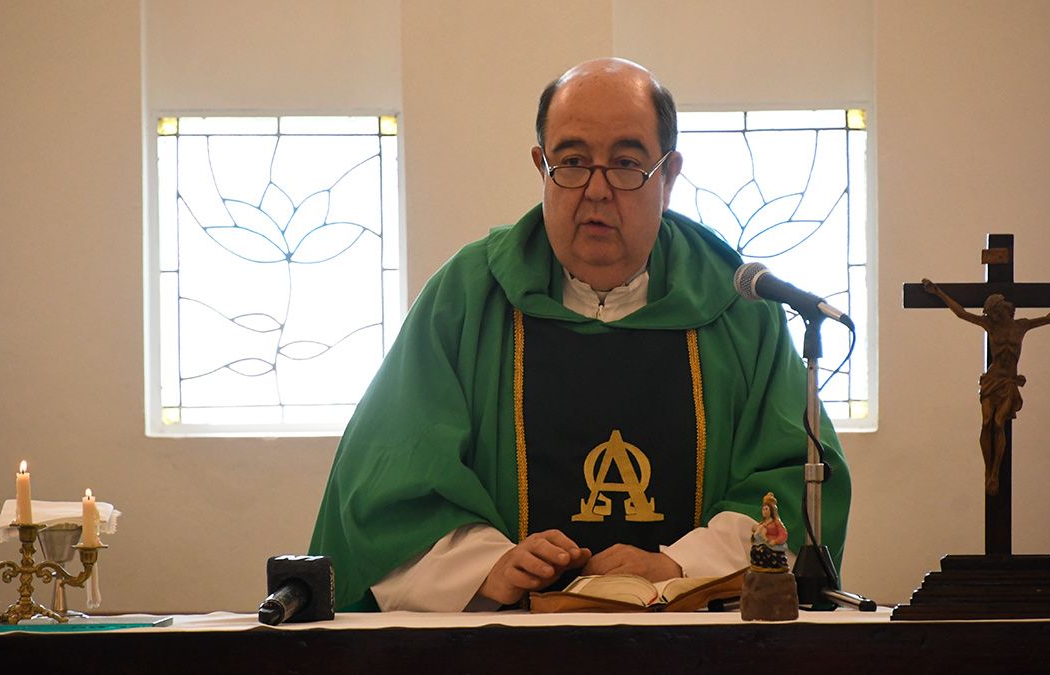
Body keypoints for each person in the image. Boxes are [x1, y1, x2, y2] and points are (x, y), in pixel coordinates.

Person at [310, 58, 851, 611]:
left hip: (693, 638)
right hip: (507, 640)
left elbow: (795, 482)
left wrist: (680, 565)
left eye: (626, 163)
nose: (596, 190)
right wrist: (486, 566)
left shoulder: (737, 305)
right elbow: (391, 481)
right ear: (541, 167)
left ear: (668, 176)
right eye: (571, 162)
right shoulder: (468, 298)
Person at [921, 280, 1050, 496]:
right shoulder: (990, 326)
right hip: (992, 380)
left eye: (994, 311)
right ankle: (988, 471)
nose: (992, 315)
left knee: (998, 422)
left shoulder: (1021, 326)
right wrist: (938, 292)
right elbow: (962, 313)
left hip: (1009, 382)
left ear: (1002, 308)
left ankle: (995, 473)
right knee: (986, 423)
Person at [749, 492, 789, 571]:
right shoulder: (763, 523)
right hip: (763, 542)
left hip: (772, 544)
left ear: (772, 510)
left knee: (764, 551)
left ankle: (771, 565)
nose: (764, 511)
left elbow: (783, 534)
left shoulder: (776, 522)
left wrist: (776, 541)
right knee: (754, 550)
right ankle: (759, 565)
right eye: (763, 509)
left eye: (766, 509)